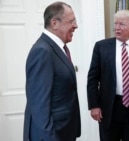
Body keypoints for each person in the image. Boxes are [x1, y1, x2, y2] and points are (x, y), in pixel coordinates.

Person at [87, 10, 129, 141]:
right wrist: (94, 105)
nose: (116, 27)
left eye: (121, 24)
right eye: (115, 24)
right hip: (110, 107)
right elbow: (93, 78)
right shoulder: (101, 47)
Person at [23, 1, 81, 141]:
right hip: (51, 135)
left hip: (64, 131)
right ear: (54, 23)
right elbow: (39, 106)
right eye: (71, 21)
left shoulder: (57, 48)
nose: (76, 26)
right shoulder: (43, 51)